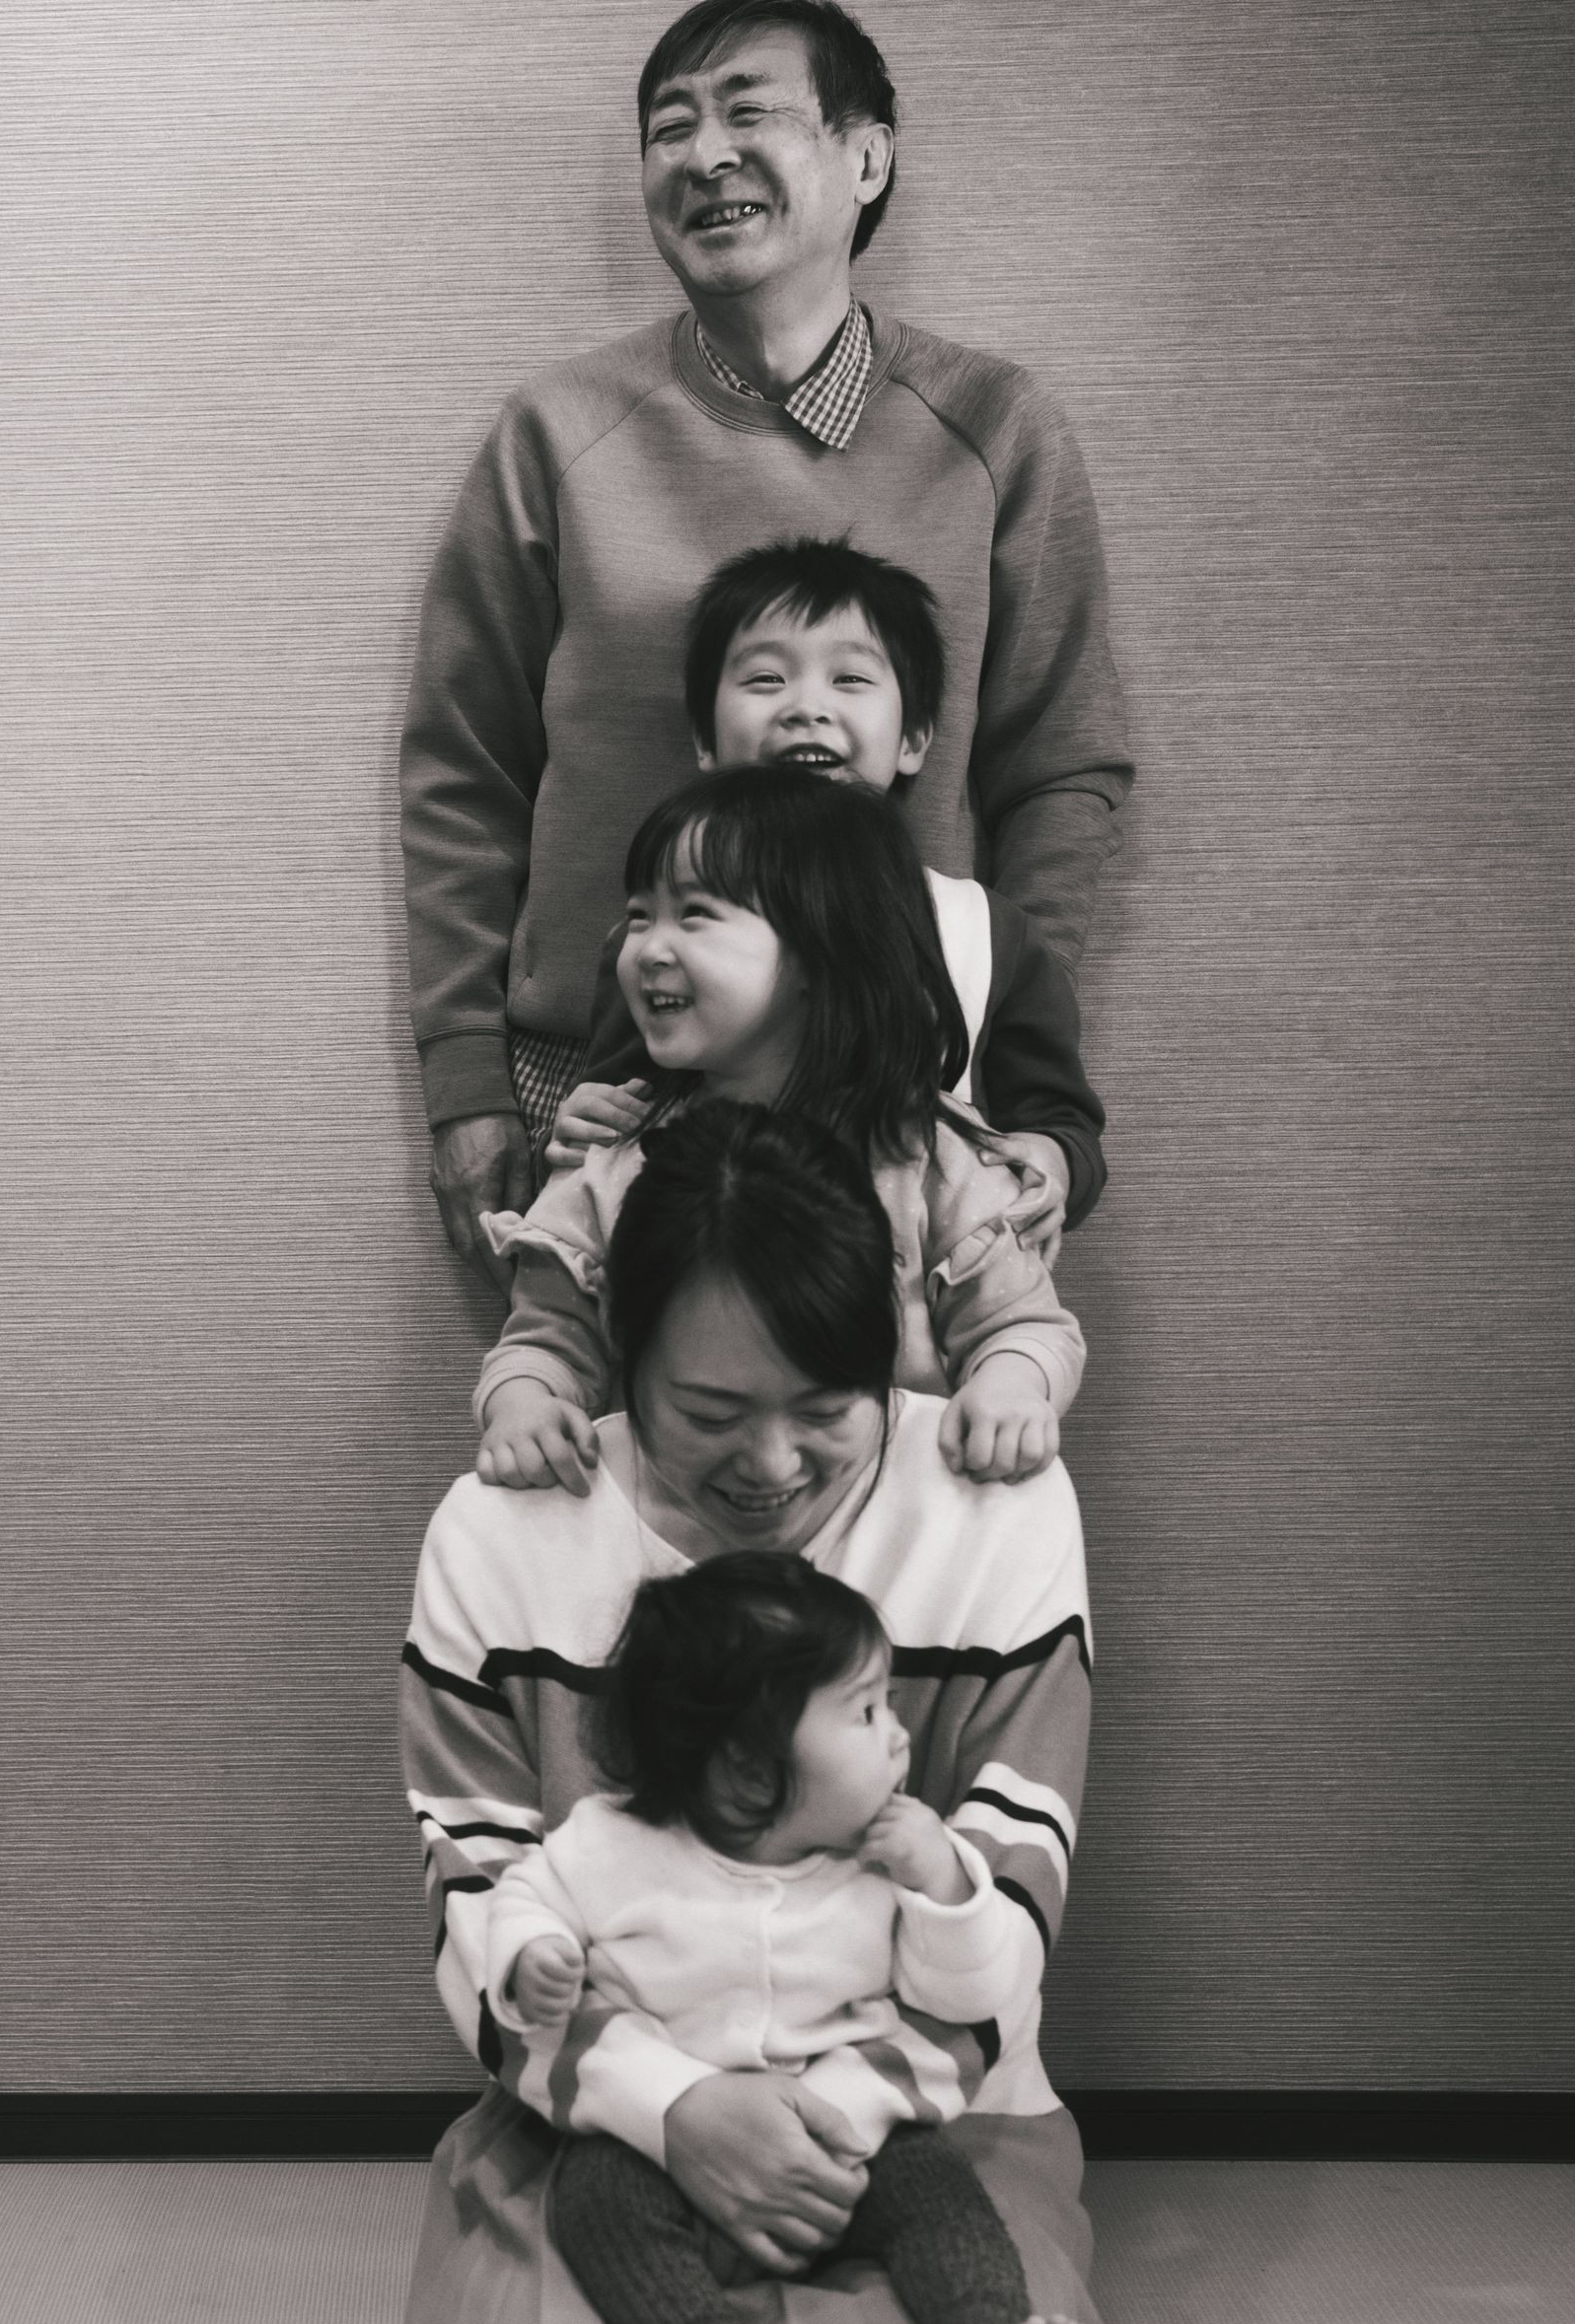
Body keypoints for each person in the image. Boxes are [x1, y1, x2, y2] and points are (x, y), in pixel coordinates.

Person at [400, 0, 1133, 1283]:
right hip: (609, 1087)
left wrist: (1003, 1030)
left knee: (921, 1402)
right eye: (669, 128)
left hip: (902, 1084)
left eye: (748, 112)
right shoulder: (557, 431)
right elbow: (466, 769)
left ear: (867, 156)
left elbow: (1060, 765)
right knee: (578, 1402)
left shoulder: (996, 428)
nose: (703, 155)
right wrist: (465, 1082)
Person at [400, 1097, 1101, 2324]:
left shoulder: (996, 1508)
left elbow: (1008, 1889)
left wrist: (825, 2120)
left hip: (937, 2104)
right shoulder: (501, 1536)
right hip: (583, 2111)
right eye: (713, 1415)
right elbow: (485, 1910)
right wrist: (674, 2110)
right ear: (622, 1353)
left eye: (826, 1408)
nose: (772, 1466)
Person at [488, 1552, 1103, 2324]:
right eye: (866, 1712)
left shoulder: (887, 1861)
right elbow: (525, 1893)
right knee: (596, 2200)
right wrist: (531, 1951)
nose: (899, 1735)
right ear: (748, 1769)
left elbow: (970, 1994)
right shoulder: (613, 1843)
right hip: (658, 2144)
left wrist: (945, 1883)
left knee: (936, 2188)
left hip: (852, 2142)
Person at [472, 768, 1085, 1493]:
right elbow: (547, 1337)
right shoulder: (614, 1152)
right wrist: (524, 1403)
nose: (646, 948)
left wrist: (1012, 1385)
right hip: (688, 1528)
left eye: (693, 914)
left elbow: (1022, 1325)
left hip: (906, 1522)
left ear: (823, 950)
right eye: (640, 914)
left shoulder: (931, 1158)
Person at [552, 535, 1108, 1243]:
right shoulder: (653, 942)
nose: (805, 707)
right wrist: (580, 1129)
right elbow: (607, 1132)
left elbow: (1062, 1126)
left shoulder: (984, 933)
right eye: (765, 679)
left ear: (913, 738)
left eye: (849, 679)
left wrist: (1052, 1163)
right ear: (704, 741)